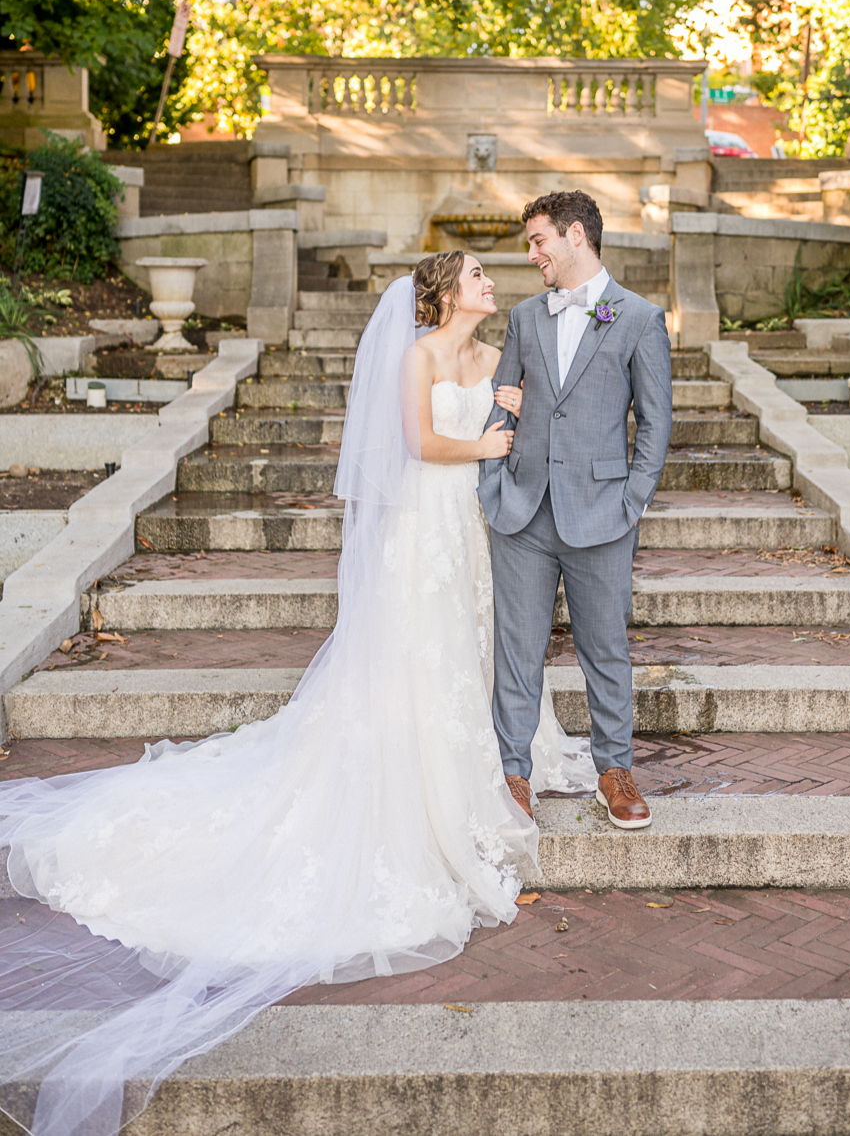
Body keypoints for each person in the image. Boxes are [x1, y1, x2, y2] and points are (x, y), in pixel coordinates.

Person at [0, 252, 594, 1136]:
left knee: (477, 646)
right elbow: (416, 444)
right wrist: (482, 439)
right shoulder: (420, 355)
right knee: (420, 660)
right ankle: (429, 780)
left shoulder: (490, 354)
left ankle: (500, 752)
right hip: (423, 525)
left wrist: (508, 414)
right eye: (475, 275)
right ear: (440, 294)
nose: (489, 282)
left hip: (470, 532)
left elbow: (513, 416)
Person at [480, 190, 673, 830]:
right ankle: (514, 775)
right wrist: (493, 483)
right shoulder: (525, 316)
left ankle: (613, 771)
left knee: (605, 649)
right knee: (517, 650)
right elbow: (502, 404)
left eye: (538, 241)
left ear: (575, 236)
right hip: (524, 513)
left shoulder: (639, 318)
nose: (531, 254)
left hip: (603, 514)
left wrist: (632, 501)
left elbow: (655, 423)